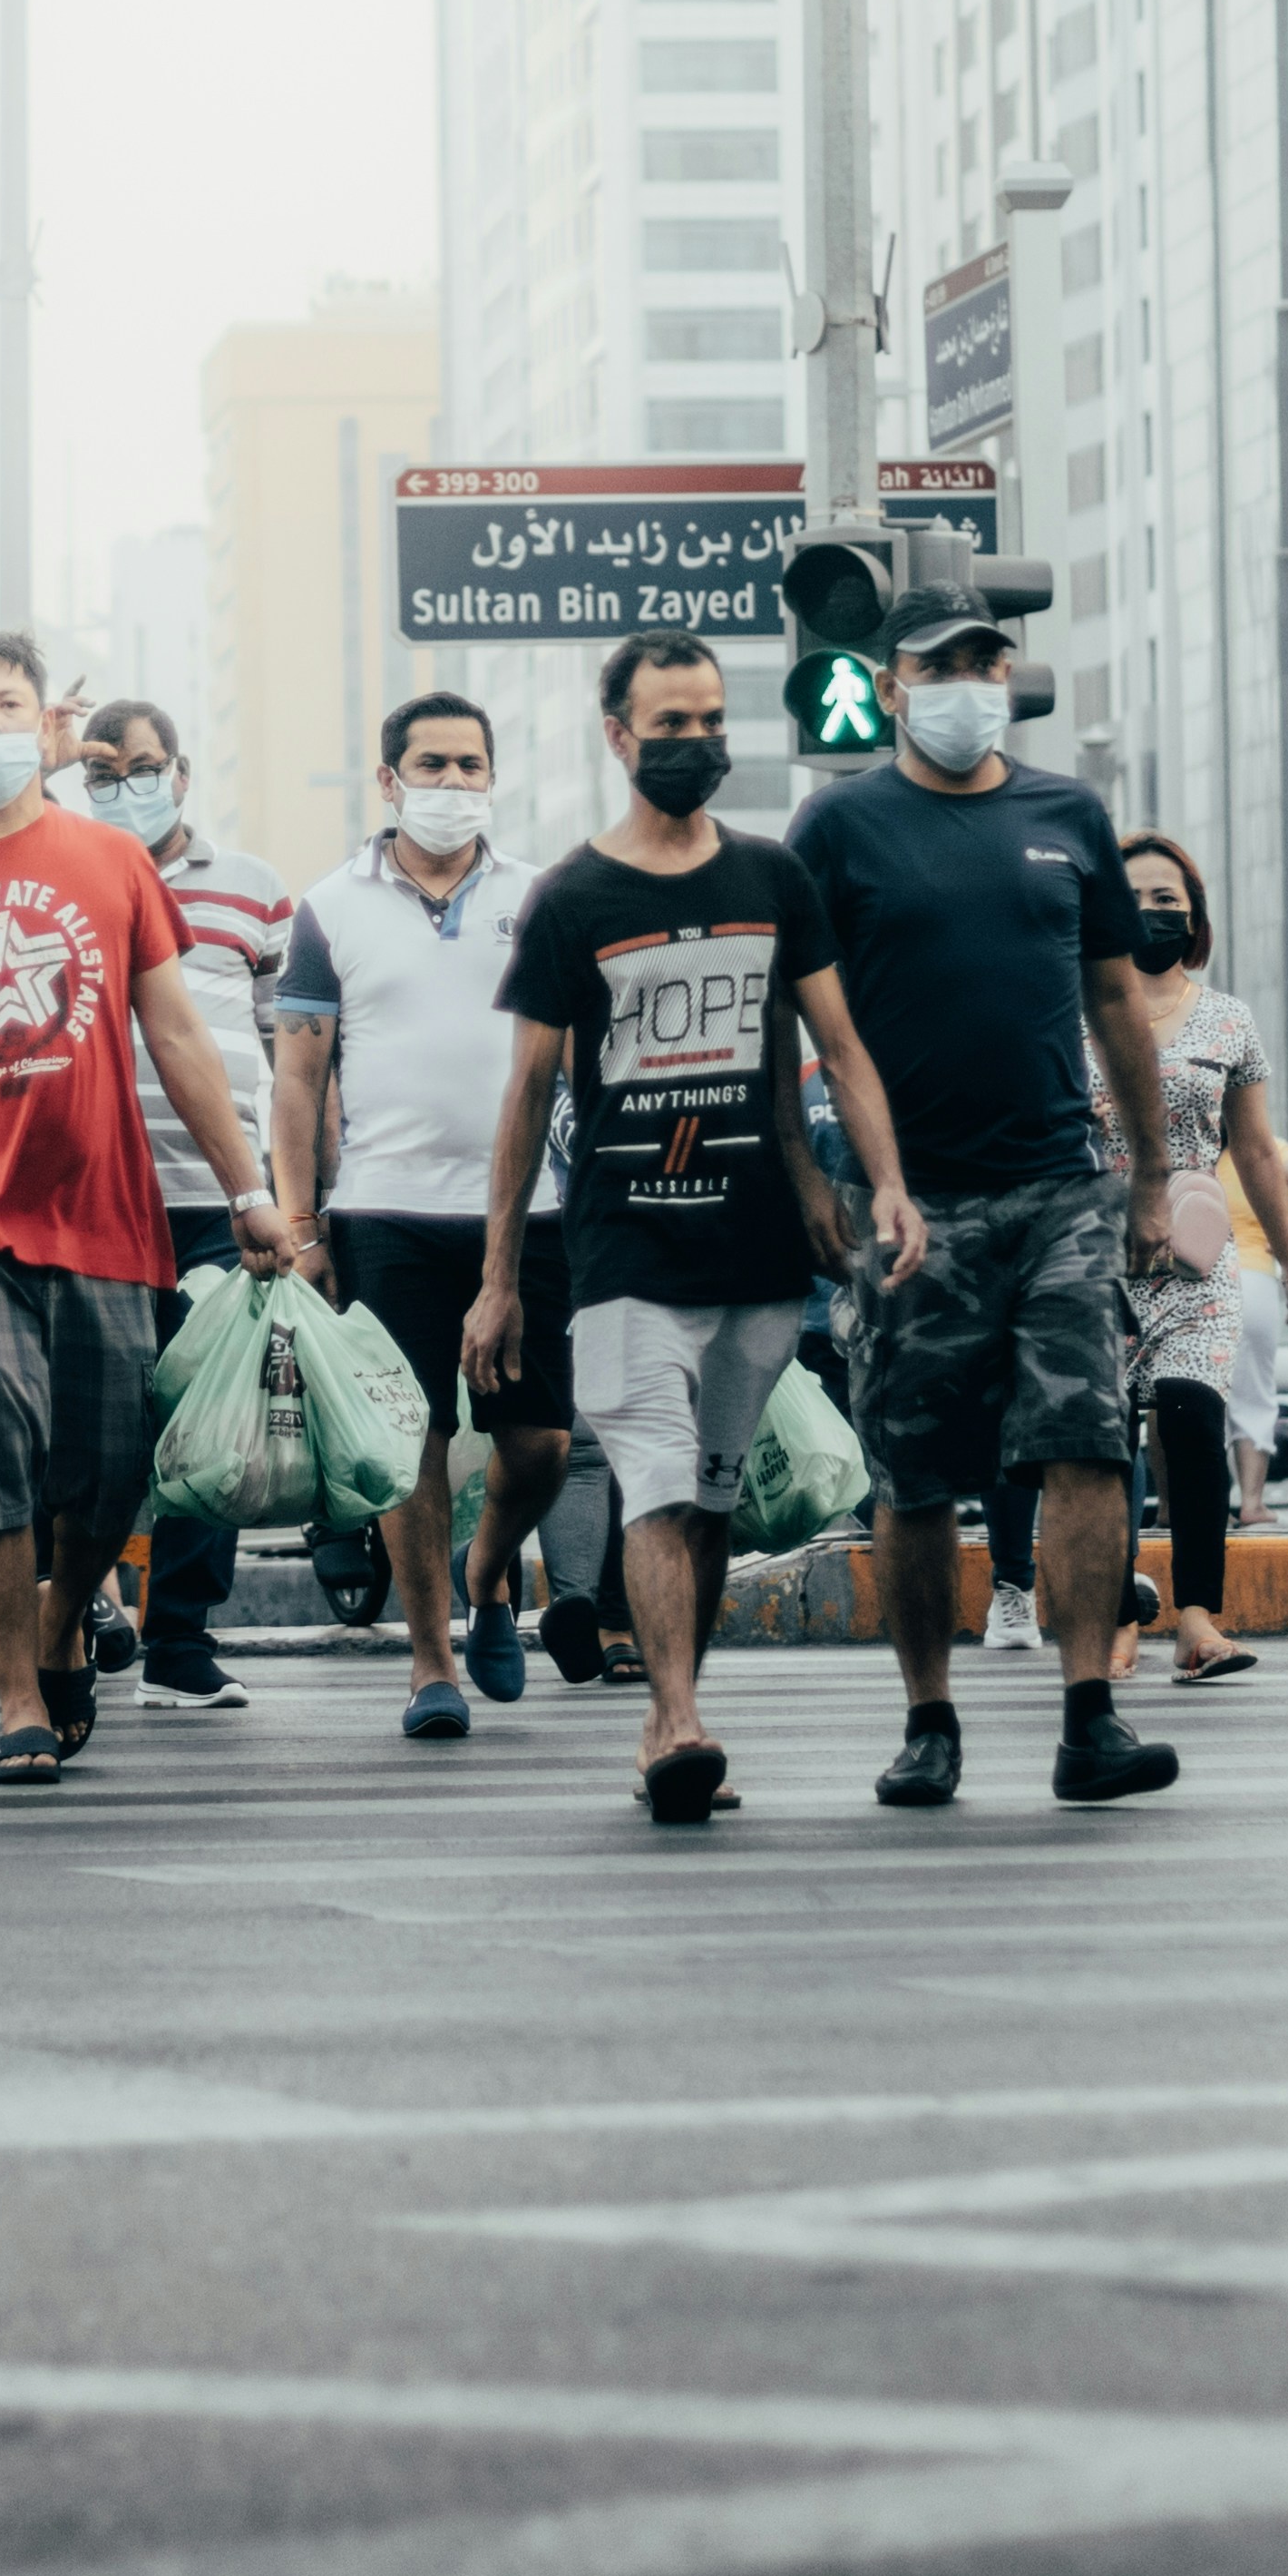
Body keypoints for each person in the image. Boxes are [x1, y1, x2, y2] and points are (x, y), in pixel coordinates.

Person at [0, 632, 294, 1788]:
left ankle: (65, 1614)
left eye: (8, 704)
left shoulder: (109, 861)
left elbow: (176, 1033)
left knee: (115, 1461)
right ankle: (18, 1691)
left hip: (107, 1211)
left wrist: (250, 1191)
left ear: (47, 727)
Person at [477, 634, 922, 1823]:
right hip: (624, 1249)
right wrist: (499, 1279)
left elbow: (832, 1047)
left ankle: (677, 1698)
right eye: (668, 726)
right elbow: (525, 1095)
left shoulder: (773, 879)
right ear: (618, 736)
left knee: (712, 1497)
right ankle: (674, 1723)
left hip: (758, 1251)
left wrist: (875, 1181)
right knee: (660, 1483)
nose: (693, 746)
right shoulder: (571, 897)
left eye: (710, 722)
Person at [794, 589, 1195, 1813]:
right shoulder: (838, 826)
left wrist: (1153, 1176)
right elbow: (791, 1012)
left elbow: (1117, 1002)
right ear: (893, 684)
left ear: (1007, 675)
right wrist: (809, 1174)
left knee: (1085, 1445)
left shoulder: (1067, 813)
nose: (966, 683)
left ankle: (1090, 1719)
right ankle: (928, 1720)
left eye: (985, 661)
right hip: (910, 1202)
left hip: (1062, 1186)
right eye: (938, 665)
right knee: (913, 1476)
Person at [272, 690, 575, 1741]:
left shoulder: (542, 897)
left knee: (539, 1443)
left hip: (530, 1212)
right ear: (390, 780)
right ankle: (431, 1659)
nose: (453, 785)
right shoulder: (329, 907)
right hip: (384, 1212)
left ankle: (490, 1572)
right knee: (413, 1443)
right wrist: (302, 1227)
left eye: (470, 766)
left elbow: (582, 1056)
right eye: (432, 765)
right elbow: (298, 1081)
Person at [71, 694, 286, 1710]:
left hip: (216, 1192)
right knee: (100, 1417)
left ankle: (184, 1639)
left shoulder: (252, 892)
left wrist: (288, 1195)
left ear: (183, 771)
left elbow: (293, 1052)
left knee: (216, 1416)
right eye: (101, 775)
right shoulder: (61, 871)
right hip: (90, 1193)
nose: (125, 790)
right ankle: (84, 1602)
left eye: (143, 768)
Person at [1109, 831, 1288, 1684]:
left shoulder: (1229, 1019)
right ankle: (1114, 1616)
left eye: (1170, 900)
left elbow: (1261, 1153)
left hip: (1198, 1267)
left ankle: (1196, 1620)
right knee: (1095, 1448)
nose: (1154, 911)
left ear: (1193, 915)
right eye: (1136, 897)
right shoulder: (1072, 1005)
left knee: (1194, 1423)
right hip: (1092, 1263)